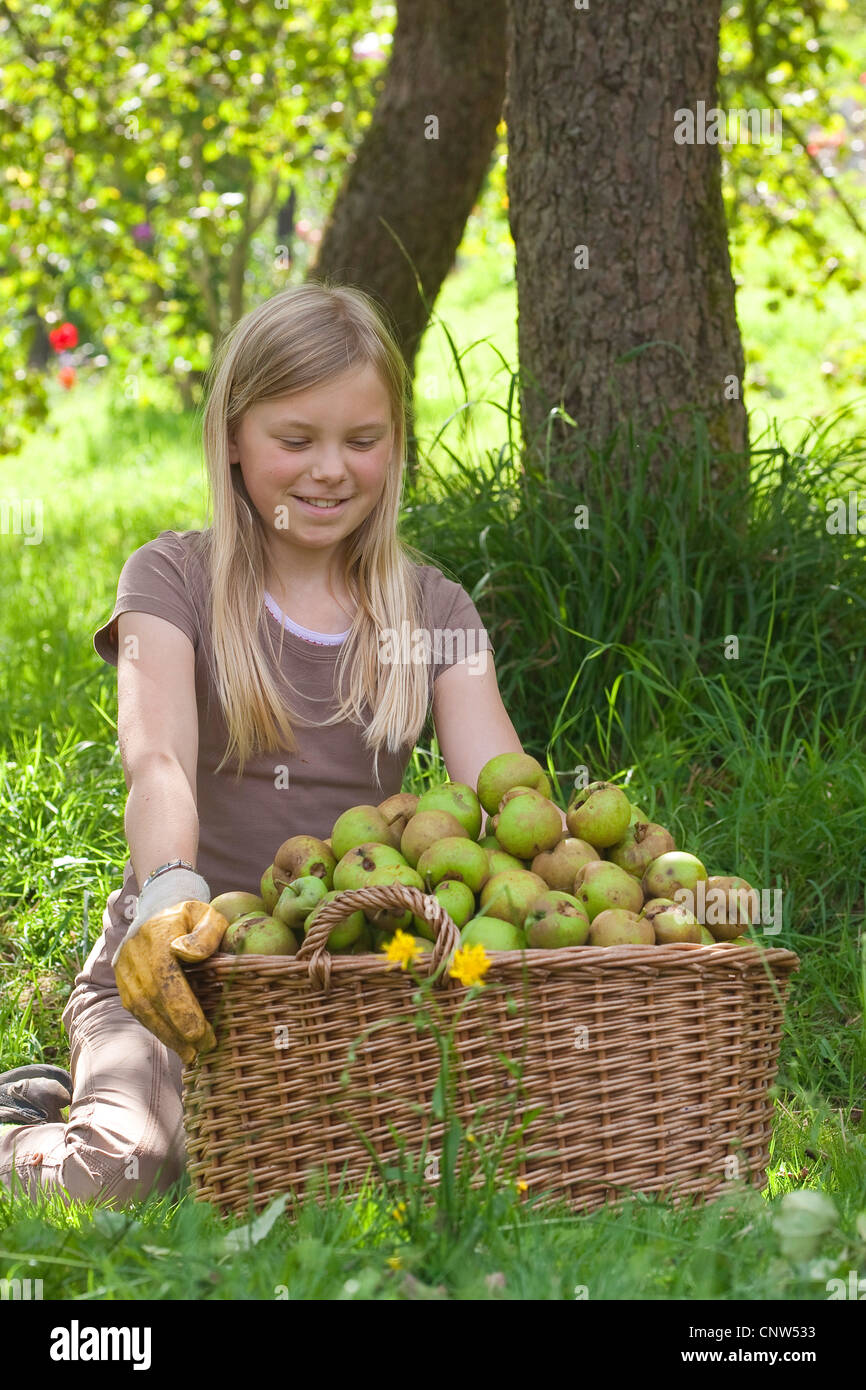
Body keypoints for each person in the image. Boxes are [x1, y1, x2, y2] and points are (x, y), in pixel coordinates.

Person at [0, 281, 565, 1207]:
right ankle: (42, 1126)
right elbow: (159, 760)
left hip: (362, 964)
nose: (330, 470)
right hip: (179, 962)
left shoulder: (434, 610)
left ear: (397, 440)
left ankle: (88, 1101)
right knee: (124, 1172)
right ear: (232, 439)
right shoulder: (171, 578)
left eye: (363, 440)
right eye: (295, 440)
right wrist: (170, 894)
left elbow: (505, 803)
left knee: (468, 1151)